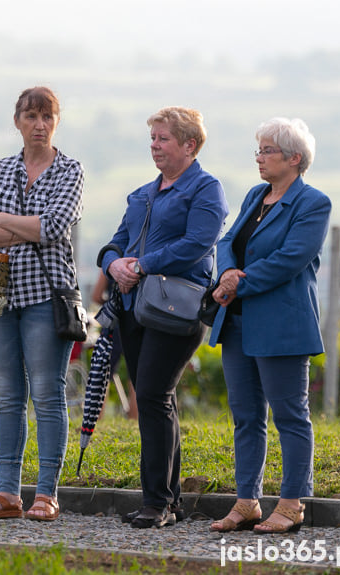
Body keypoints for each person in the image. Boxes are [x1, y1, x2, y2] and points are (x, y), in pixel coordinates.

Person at [98, 106, 228, 528]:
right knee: (157, 400)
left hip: (177, 307)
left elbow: (197, 244)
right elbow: (117, 242)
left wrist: (141, 265)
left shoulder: (206, 189)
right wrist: (113, 264)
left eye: (163, 139)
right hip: (134, 308)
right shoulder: (142, 194)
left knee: (152, 395)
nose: (154, 145)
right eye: (152, 138)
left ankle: (156, 502)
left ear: (190, 145)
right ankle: (165, 501)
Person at [208, 118, 330, 534]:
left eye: (267, 151)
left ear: (294, 159)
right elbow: (227, 242)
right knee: (246, 416)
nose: (259, 158)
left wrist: (237, 282)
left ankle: (292, 503)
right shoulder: (255, 196)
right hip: (238, 323)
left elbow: (291, 259)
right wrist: (227, 273)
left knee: (290, 416)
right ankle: (247, 501)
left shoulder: (313, 203)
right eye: (257, 151)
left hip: (281, 325)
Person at [0, 87, 83, 522]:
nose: (39, 124)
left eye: (47, 116)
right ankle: (8, 493)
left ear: (56, 122)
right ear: (17, 121)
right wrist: (24, 229)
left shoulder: (70, 170)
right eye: (31, 116)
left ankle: (47, 494)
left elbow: (54, 227)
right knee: (7, 396)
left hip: (46, 296)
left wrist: (4, 222)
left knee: (48, 395)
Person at [91, 271, 137, 420]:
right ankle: (135, 420)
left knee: (103, 371)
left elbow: (96, 296)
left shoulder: (114, 259)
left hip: (114, 322)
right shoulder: (142, 257)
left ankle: (97, 419)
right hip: (139, 319)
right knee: (136, 374)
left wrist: (112, 301)